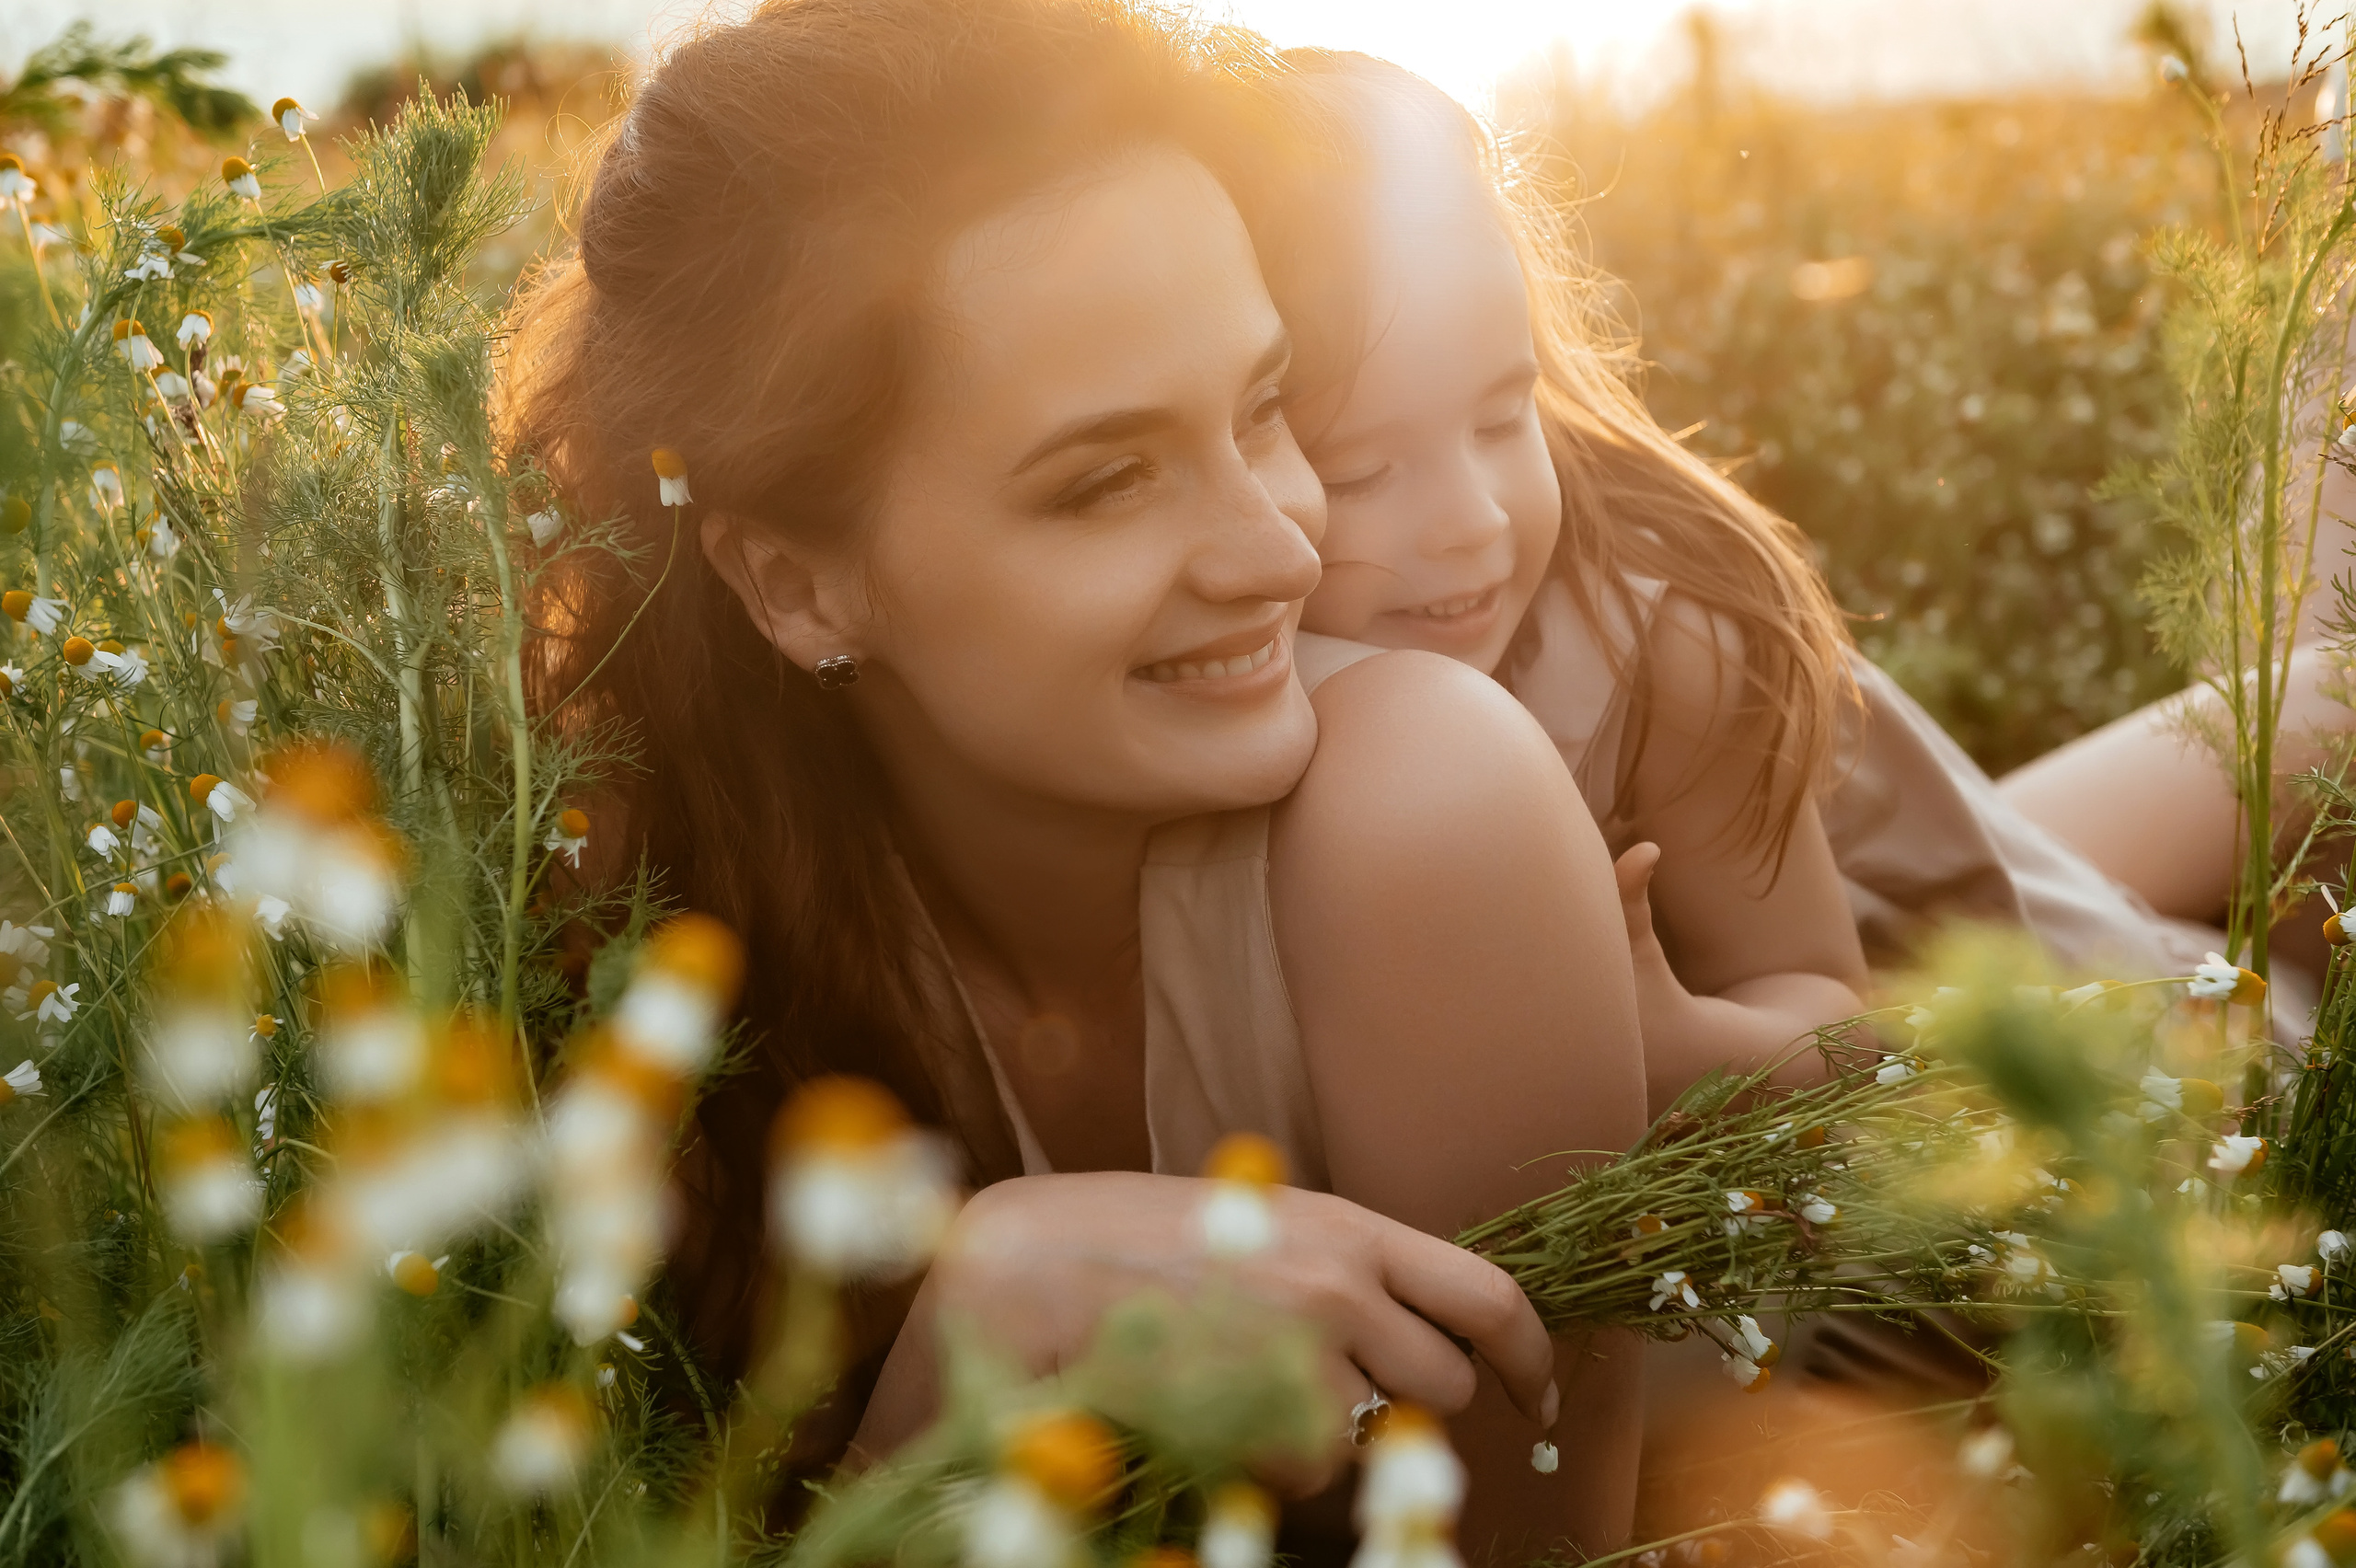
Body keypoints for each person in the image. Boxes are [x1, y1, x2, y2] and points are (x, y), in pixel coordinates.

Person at [501, 0, 1649, 1556]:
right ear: (795, 584)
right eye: (1107, 480)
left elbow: (1548, 1544)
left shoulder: (1433, 810)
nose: (1284, 544)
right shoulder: (636, 905)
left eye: (1266, 407)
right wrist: (952, 1365)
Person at [1240, 50, 2343, 1099]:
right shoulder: (1212, 676)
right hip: (1895, 865)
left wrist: (1683, 1046)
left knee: (2313, 778)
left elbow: (1838, 1011)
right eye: (1365, 468)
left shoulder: (1660, 646)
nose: (1474, 520)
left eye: (1501, 416)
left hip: (1989, 998)